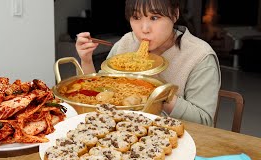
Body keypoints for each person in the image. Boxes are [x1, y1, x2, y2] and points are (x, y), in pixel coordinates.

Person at [75, 0, 221, 126]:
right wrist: (86, 59)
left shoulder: (200, 56)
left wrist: (155, 92)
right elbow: (99, 92)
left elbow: (204, 121)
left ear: (175, 14)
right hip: (123, 131)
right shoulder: (127, 42)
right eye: (136, 17)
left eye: (154, 17)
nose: (144, 29)